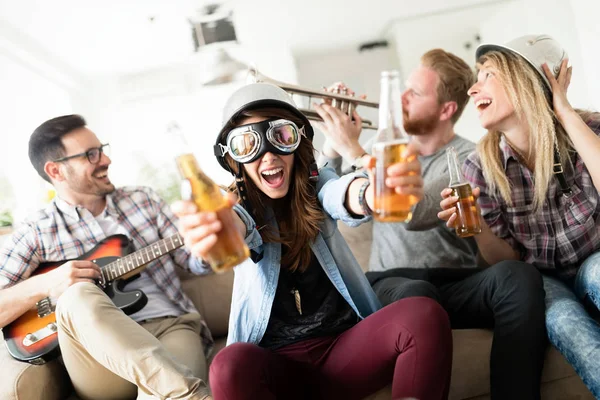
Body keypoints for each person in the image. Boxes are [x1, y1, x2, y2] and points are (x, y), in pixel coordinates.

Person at [172, 82, 453, 400]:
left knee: (423, 315)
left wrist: (372, 193)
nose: (267, 155)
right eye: (248, 144)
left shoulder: (318, 186)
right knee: (227, 364)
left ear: (299, 142)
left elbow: (342, 194)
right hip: (277, 370)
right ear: (234, 159)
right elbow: (233, 229)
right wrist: (212, 236)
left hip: (344, 354)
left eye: (281, 136)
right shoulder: (236, 208)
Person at [317, 49, 547, 400]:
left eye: (416, 93)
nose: (401, 99)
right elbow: (321, 193)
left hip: (456, 282)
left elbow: (416, 212)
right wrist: (334, 142)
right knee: (417, 298)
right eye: (405, 89)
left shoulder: (473, 156)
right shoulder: (381, 149)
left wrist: (355, 151)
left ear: (446, 110)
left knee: (519, 276)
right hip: (391, 283)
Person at [0, 115, 213, 400]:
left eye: (102, 149)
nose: (106, 160)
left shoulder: (143, 200)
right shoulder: (36, 231)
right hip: (96, 357)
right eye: (91, 155)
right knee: (77, 295)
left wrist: (208, 240)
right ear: (56, 171)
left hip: (168, 328)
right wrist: (49, 282)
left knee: (167, 380)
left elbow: (194, 262)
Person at [439, 34, 600, 397]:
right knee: (562, 320)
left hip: (595, 261)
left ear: (526, 79)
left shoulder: (588, 130)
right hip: (543, 280)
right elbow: (508, 259)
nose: (472, 89)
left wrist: (564, 111)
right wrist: (477, 227)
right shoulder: (480, 167)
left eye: (487, 75)